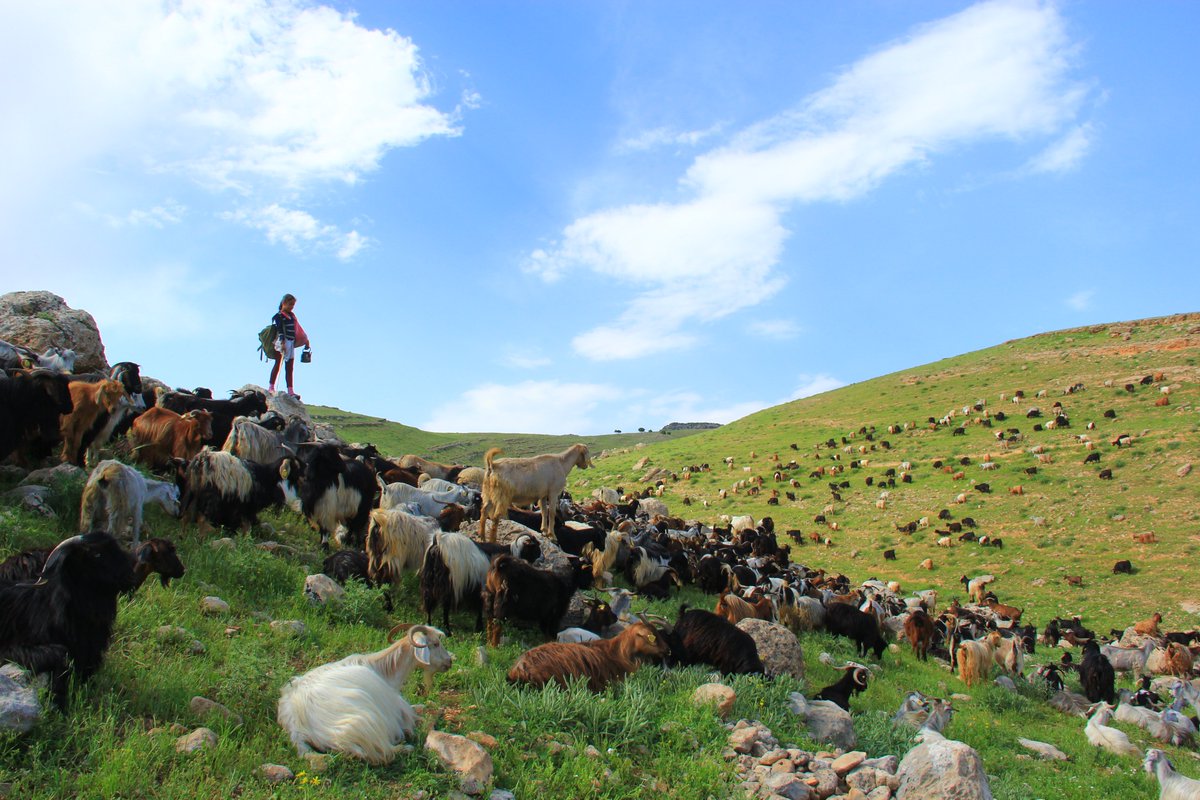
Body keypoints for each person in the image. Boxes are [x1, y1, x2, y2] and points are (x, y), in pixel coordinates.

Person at [267, 293, 309, 398]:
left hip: (290, 342)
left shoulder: (291, 317)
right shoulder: (279, 316)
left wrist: (305, 341)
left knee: (290, 367)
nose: (291, 307)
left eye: (293, 305)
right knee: (278, 363)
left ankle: (290, 390)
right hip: (281, 342)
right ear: (284, 303)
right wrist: (282, 343)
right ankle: (271, 387)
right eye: (290, 304)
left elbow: (297, 329)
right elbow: (281, 329)